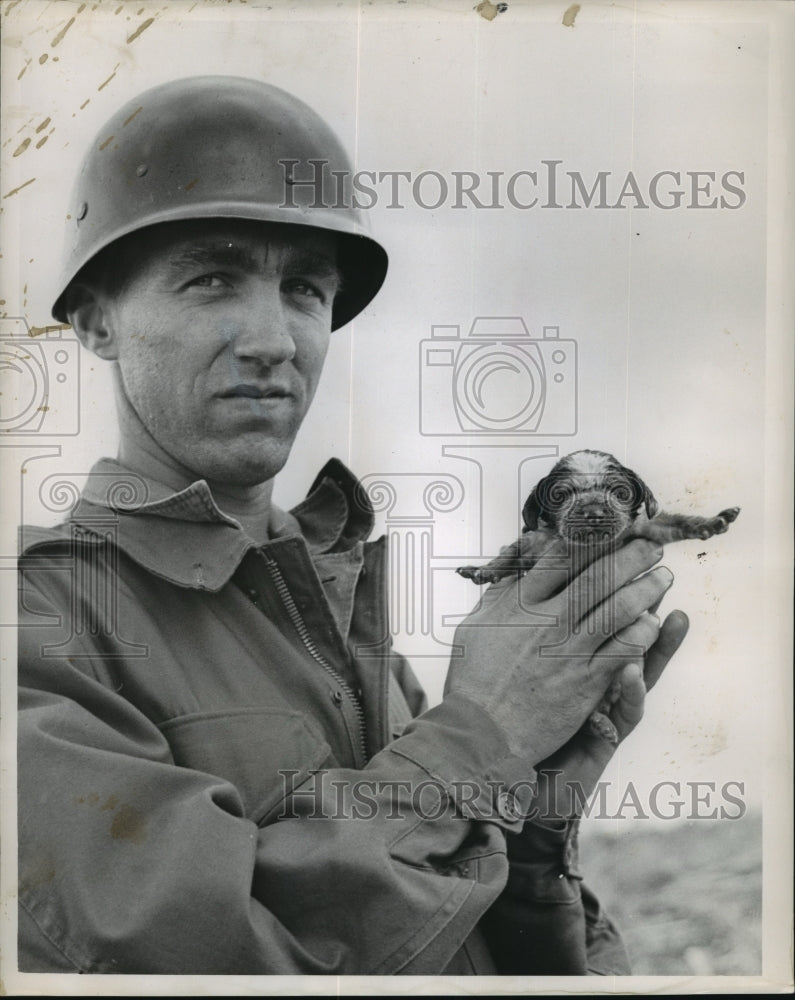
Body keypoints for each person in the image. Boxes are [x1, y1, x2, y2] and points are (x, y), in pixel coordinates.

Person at [17, 75, 688, 976]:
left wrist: (531, 817)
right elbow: (192, 962)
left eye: (304, 289)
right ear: (97, 321)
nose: (274, 339)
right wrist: (482, 735)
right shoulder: (38, 622)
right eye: (212, 279)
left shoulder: (357, 642)